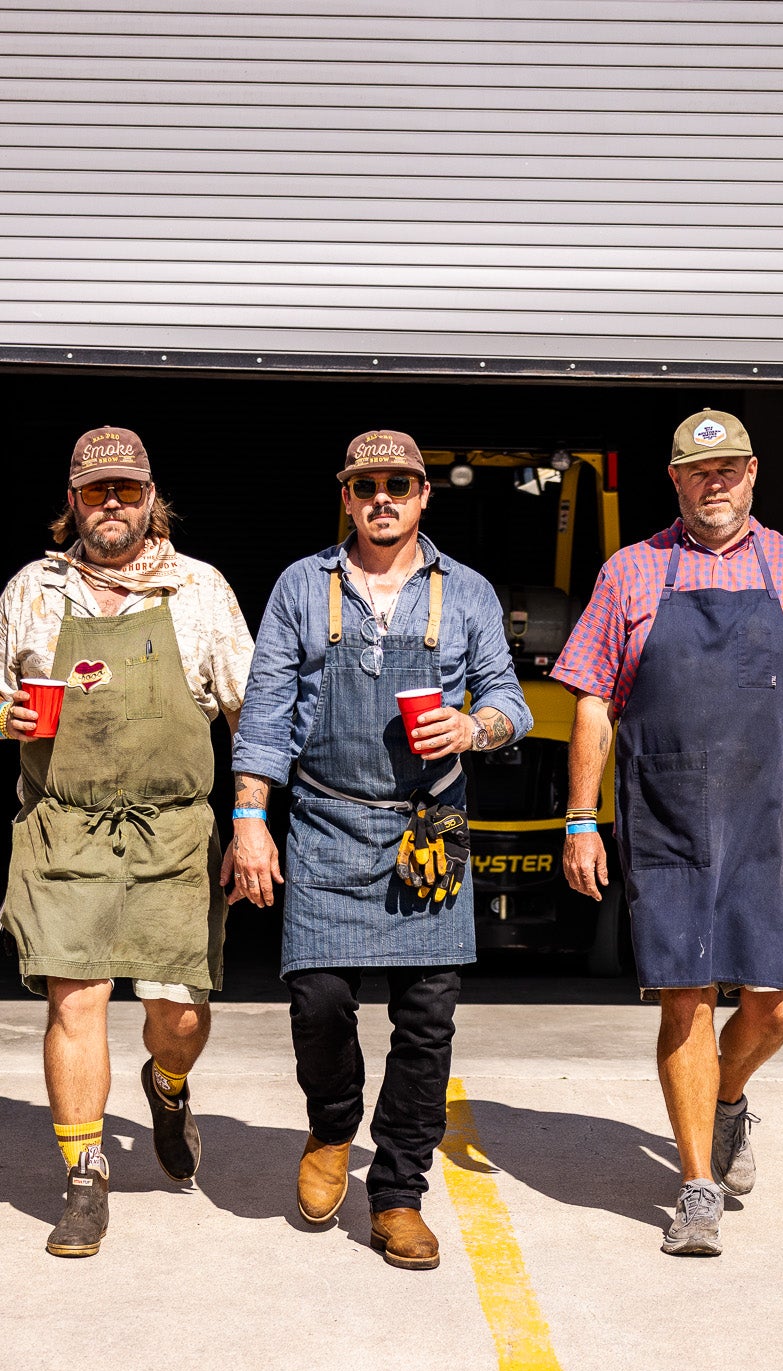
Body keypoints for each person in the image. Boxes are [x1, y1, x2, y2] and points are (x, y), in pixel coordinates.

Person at [553, 410, 783, 1258]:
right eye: (700, 472)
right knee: (685, 996)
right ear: (675, 480)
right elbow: (592, 700)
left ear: (753, 473)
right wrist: (581, 817)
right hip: (665, 820)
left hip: (770, 821)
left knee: (779, 1003)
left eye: (730, 469)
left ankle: (726, 1098)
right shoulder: (631, 572)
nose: (716, 484)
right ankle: (697, 1185)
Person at [228, 428, 531, 1270]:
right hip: (324, 824)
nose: (382, 499)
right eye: (367, 486)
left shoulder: (465, 591)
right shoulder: (301, 586)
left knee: (427, 1021)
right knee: (318, 999)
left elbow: (511, 698)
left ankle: (398, 1191)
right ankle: (332, 1126)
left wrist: (476, 726)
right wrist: (250, 818)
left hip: (427, 827)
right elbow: (264, 711)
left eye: (399, 484)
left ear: (424, 494)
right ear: (347, 495)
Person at [0, 426, 254, 1259]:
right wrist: (1, 716)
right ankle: (85, 1177)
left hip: (173, 830)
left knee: (179, 1013)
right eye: (96, 492)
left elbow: (249, 712)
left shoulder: (200, 590)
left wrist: (253, 819)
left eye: (127, 490)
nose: (113, 504)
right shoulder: (35, 589)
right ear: (73, 502)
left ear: (152, 498)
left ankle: (167, 1086)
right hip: (66, 828)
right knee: (75, 1002)